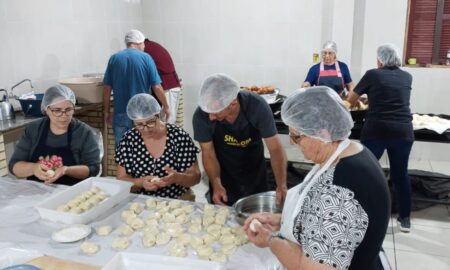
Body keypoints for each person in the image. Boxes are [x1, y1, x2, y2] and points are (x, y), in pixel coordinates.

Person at [244, 86, 390, 270]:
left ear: (323, 134)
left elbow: (314, 267)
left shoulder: (337, 195)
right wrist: (282, 220)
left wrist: (270, 240)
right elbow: (325, 222)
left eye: (297, 136)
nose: (292, 142)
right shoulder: (352, 152)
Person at [192, 73, 287, 206]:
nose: (211, 117)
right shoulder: (201, 115)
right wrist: (216, 183)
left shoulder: (257, 106)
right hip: (223, 173)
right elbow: (208, 153)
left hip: (255, 170)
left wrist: (281, 185)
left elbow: (275, 149)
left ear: (233, 103)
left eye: (216, 112)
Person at [347, 43, 414, 233]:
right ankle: (405, 219)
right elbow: (392, 96)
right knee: (401, 175)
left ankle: (358, 213)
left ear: (380, 59)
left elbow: (351, 100)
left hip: (377, 130)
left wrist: (357, 101)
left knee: (365, 172)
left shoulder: (372, 74)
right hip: (403, 132)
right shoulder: (407, 76)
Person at [9, 85, 101, 185]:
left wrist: (66, 170)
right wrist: (33, 168)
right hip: (37, 193)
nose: (63, 115)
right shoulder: (34, 130)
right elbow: (14, 166)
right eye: (57, 110)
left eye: (68, 109)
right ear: (46, 110)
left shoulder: (83, 132)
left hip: (72, 192)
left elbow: (93, 169)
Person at [115, 93, 200, 200]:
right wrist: (140, 183)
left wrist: (177, 178)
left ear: (158, 116)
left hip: (177, 199)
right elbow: (121, 178)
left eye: (150, 123)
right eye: (139, 125)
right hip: (141, 201)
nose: (145, 129)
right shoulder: (129, 140)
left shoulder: (178, 136)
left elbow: (196, 177)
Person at [103, 29, 171, 145]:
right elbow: (156, 86)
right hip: (142, 115)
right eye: (143, 43)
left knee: (123, 152)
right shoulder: (146, 58)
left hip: (120, 114)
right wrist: (166, 106)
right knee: (144, 150)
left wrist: (106, 112)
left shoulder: (114, 59)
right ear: (139, 42)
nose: (144, 46)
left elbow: (107, 89)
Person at [144, 38, 183, 126]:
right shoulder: (152, 46)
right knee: (167, 121)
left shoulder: (145, 49)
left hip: (167, 87)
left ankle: (167, 139)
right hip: (171, 85)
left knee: (166, 123)